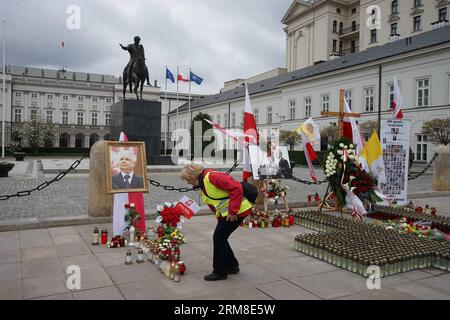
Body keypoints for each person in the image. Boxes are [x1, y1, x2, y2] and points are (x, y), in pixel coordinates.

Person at [179, 164, 253, 281]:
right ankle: (232, 266)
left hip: (237, 211)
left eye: (187, 180)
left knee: (219, 237)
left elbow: (236, 188)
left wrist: (233, 211)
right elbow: (215, 202)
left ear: (193, 176)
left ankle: (220, 272)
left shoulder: (211, 177)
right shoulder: (203, 183)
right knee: (221, 237)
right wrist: (220, 218)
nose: (188, 183)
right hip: (229, 213)